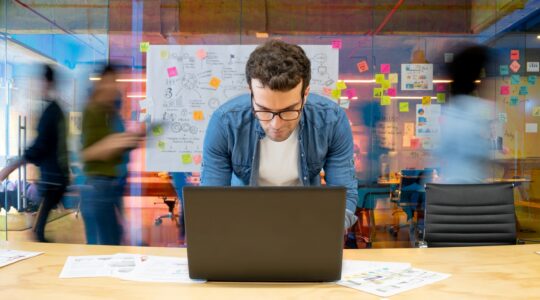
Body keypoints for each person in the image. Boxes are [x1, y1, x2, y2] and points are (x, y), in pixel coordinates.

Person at [201, 40, 358, 230]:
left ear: (305, 94)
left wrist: (327, 232)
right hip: (243, 225)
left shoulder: (332, 121)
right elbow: (212, 202)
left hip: (308, 225)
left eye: (289, 110)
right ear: (251, 92)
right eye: (264, 110)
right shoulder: (225, 123)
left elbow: (344, 196)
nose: (276, 124)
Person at [0, 64, 69, 242]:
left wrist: (11, 166)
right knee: (37, 230)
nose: (37, 86)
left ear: (47, 82)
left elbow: (40, 147)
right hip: (54, 178)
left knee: (37, 231)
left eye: (39, 82)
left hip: (53, 180)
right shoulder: (55, 110)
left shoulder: (52, 112)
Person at [80, 64, 143, 245]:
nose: (114, 87)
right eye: (110, 82)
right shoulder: (92, 111)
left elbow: (116, 148)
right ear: (100, 83)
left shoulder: (111, 113)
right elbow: (88, 153)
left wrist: (130, 140)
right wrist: (117, 142)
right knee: (103, 249)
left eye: (116, 82)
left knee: (114, 244)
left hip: (112, 185)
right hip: (98, 188)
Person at [436, 45, 495, 183]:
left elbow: (442, 149)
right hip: (472, 189)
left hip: (450, 188)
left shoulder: (448, 111)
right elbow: (480, 152)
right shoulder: (481, 110)